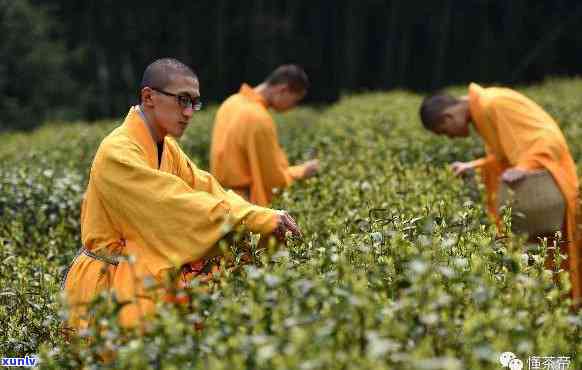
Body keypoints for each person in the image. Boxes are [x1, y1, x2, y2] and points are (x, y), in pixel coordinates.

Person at [61, 58, 302, 332]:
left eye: (194, 103)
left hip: (141, 279)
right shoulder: (117, 152)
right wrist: (252, 217)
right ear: (149, 97)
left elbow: (207, 188)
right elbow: (175, 203)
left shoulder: (168, 147)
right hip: (106, 285)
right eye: (182, 100)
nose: (189, 112)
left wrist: (263, 216)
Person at [419, 83, 581, 304]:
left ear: (447, 118)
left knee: (563, 258)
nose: (451, 138)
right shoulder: (484, 112)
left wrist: (525, 167)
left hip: (552, 190)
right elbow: (505, 156)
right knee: (548, 262)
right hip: (540, 200)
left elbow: (548, 139)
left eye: (445, 132)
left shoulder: (494, 103)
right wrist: (473, 165)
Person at [210, 64, 320, 206]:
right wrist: (302, 171)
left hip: (219, 198)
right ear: (283, 90)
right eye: (295, 100)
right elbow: (272, 180)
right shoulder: (259, 118)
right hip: (244, 204)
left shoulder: (230, 102)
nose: (293, 107)